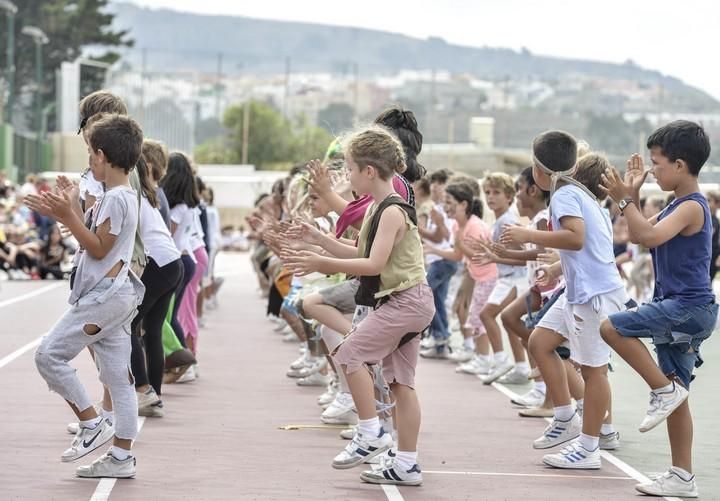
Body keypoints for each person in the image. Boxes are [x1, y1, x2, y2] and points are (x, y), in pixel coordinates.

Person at [285, 126, 434, 486]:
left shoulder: (392, 211)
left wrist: (323, 264)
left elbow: (374, 266)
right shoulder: (376, 210)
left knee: (349, 355)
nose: (346, 177)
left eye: (350, 169)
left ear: (369, 171)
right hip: (406, 301)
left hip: (406, 301)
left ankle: (371, 432)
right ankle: (407, 463)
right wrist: (318, 241)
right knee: (401, 384)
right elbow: (360, 253)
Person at [599, 121, 717, 498]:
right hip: (679, 308)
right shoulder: (676, 205)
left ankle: (662, 391)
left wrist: (626, 200)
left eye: (657, 164)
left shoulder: (693, 207)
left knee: (610, 328)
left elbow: (647, 236)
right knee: (677, 392)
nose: (652, 170)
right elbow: (637, 234)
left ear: (680, 166)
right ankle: (683, 476)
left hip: (687, 307)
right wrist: (628, 198)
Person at [28, 113, 145, 478]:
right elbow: (93, 237)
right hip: (115, 296)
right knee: (117, 378)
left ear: (101, 155)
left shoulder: (117, 199)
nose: (88, 161)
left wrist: (69, 214)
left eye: (90, 154)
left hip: (104, 298)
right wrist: (72, 206)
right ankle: (121, 458)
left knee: (48, 355)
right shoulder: (119, 197)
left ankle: (91, 423)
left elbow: (96, 248)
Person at [502, 135, 629, 470]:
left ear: (539, 171)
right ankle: (565, 417)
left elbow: (576, 238)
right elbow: (590, 247)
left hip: (595, 295)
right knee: (540, 341)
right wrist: (557, 266)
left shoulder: (564, 194)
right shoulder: (580, 195)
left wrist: (527, 235)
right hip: (580, 290)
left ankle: (589, 448)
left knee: (593, 370)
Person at [129, 150, 183, 416]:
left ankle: (142, 389)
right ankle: (155, 395)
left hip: (158, 263)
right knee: (152, 330)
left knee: (127, 325)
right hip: (172, 262)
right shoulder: (150, 194)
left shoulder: (132, 195)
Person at [476, 173, 527, 382]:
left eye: (496, 192)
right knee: (509, 322)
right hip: (507, 278)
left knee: (487, 315)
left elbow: (525, 258)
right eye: (487, 192)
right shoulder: (499, 221)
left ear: (509, 197)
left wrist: (494, 258)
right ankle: (521, 367)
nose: (490, 197)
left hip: (516, 279)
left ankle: (501, 360)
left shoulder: (507, 222)